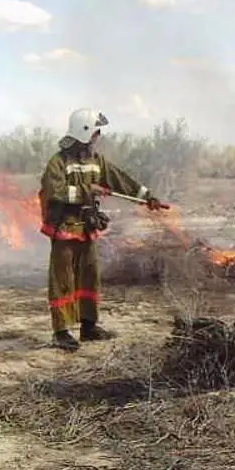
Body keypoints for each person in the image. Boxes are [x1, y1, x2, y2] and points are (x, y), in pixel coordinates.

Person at [39, 108, 165, 351]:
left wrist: (147, 196)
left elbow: (121, 180)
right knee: (62, 278)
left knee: (90, 275)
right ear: (84, 132)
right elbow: (55, 193)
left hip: (87, 228)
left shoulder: (97, 161)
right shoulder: (58, 162)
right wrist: (90, 190)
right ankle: (61, 331)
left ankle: (88, 326)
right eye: (96, 132)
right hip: (65, 228)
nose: (98, 137)